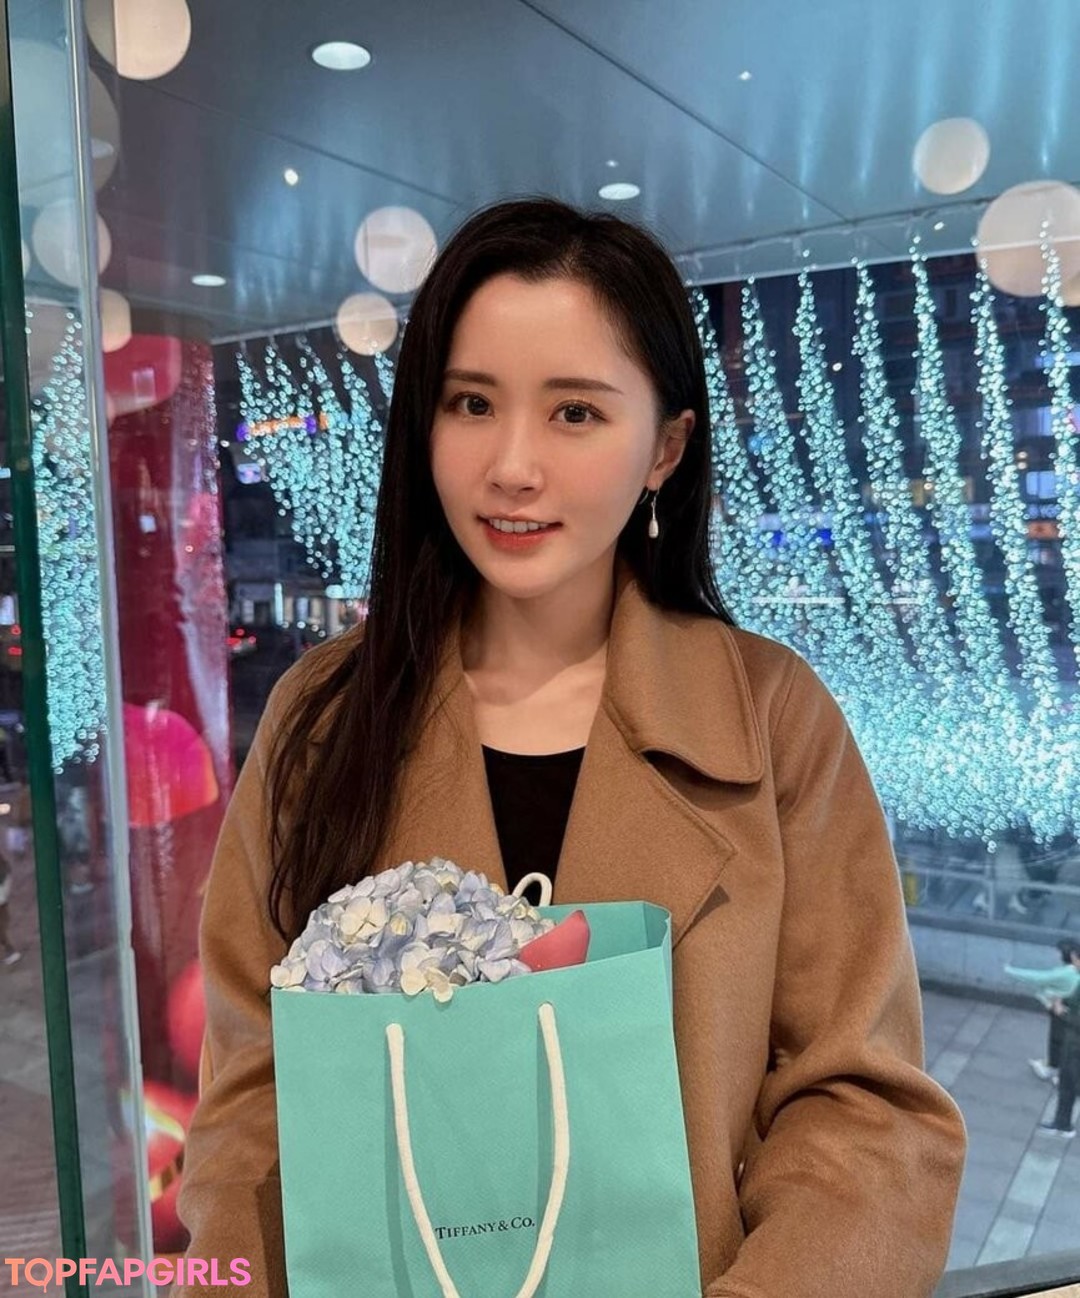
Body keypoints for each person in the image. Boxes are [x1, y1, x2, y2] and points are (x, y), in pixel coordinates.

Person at [176, 197, 966, 1298]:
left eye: (576, 413)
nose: (512, 465)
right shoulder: (327, 716)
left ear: (666, 447)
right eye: (471, 402)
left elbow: (864, 1112)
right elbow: (252, 1104)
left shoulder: (770, 719)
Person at [1004, 940, 1080, 1084]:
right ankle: (1055, 1067)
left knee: (1059, 1041)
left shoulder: (1068, 973)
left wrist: (1009, 970)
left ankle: (1055, 1069)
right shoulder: (1072, 973)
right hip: (1068, 1012)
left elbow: (1038, 978)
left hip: (1065, 1013)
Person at [1037, 946, 1080, 1138]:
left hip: (1075, 1045)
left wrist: (1060, 1011)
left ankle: (1063, 1124)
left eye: (1075, 960)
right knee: (1067, 1084)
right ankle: (1062, 1124)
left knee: (1069, 1084)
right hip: (1072, 1044)